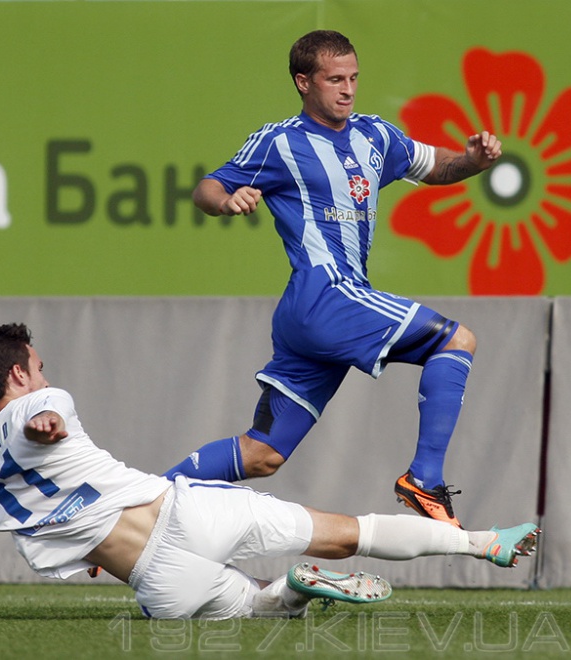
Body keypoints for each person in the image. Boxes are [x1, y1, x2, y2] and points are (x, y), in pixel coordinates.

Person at [0, 324, 538, 621]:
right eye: (38, 367)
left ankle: (292, 589)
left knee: (262, 608)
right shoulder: (39, 404)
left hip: (156, 580)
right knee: (353, 533)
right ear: (18, 375)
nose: (44, 375)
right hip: (187, 512)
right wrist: (46, 422)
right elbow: (46, 416)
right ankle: (482, 543)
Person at [166, 30, 505, 528]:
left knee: (263, 453)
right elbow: (207, 188)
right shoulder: (280, 141)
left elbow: (436, 166)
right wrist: (226, 200)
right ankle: (424, 479)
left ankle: (139, 506)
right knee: (457, 340)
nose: (348, 90)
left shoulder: (376, 135)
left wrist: (474, 161)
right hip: (327, 294)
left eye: (353, 78)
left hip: (313, 314)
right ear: (303, 83)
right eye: (334, 80)